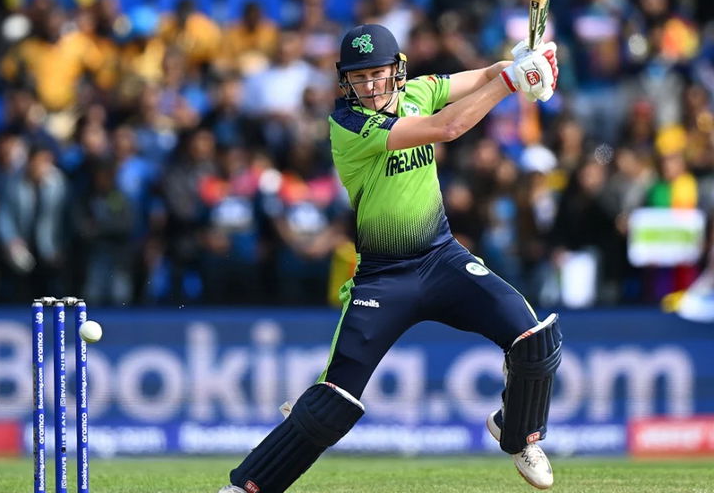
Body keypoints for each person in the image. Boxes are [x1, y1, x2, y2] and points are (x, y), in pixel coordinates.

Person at [219, 24, 563, 492]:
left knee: (534, 339)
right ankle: (245, 486)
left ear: (397, 71)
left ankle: (518, 432)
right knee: (332, 405)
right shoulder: (348, 125)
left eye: (380, 74)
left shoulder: (420, 90)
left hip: (443, 259)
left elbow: (485, 74)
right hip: (384, 278)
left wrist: (527, 62)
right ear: (345, 82)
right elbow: (449, 126)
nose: (372, 86)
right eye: (361, 78)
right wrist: (511, 81)